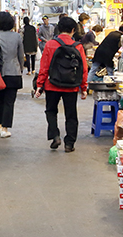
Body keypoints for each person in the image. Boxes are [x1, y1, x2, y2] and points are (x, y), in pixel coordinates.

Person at [35, 16, 88, 153]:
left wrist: (40, 85)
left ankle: (55, 136)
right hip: (71, 86)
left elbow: (44, 67)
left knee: (51, 111)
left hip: (52, 84)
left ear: (58, 28)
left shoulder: (50, 44)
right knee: (71, 114)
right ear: (73, 30)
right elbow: (83, 68)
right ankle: (69, 143)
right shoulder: (78, 46)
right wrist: (84, 87)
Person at [0, 12, 24, 138]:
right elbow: (21, 56)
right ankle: (5, 128)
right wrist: (20, 69)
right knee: (9, 101)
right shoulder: (17, 37)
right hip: (13, 72)